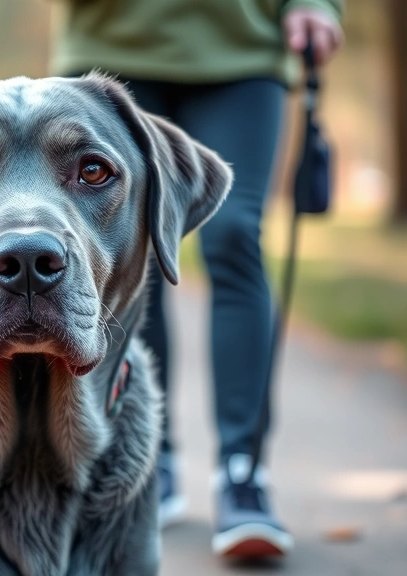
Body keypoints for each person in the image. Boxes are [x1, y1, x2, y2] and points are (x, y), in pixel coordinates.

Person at [51, 0, 344, 560]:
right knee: (124, 252)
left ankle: (243, 470)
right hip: (108, 46)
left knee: (235, 233)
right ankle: (147, 458)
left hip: (243, 45)